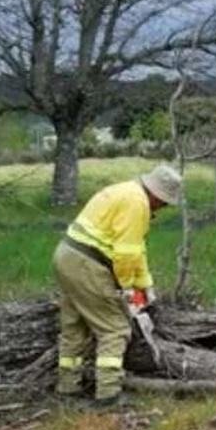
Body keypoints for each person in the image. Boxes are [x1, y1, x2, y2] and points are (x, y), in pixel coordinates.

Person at [53, 164, 183, 405]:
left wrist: (146, 285)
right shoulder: (138, 204)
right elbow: (125, 255)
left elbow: (137, 250)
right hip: (89, 263)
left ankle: (67, 387)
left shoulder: (125, 191)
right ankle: (109, 394)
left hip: (67, 255)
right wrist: (126, 290)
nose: (162, 208)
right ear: (156, 194)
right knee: (114, 329)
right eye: (163, 202)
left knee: (74, 326)